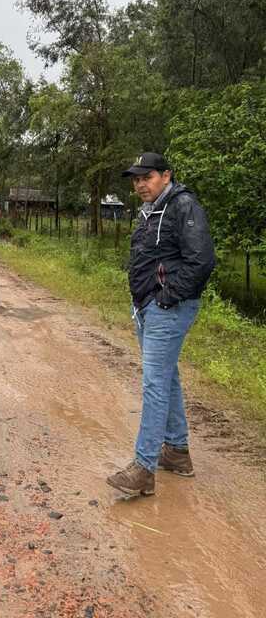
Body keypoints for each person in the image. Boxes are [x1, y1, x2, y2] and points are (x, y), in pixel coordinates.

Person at [106, 152, 215, 497]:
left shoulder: (183, 206)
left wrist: (167, 297)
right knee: (167, 378)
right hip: (148, 306)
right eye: (136, 179)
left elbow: (202, 261)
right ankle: (177, 451)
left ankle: (144, 467)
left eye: (147, 177)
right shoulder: (151, 209)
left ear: (166, 175)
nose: (140, 184)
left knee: (154, 384)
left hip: (168, 307)